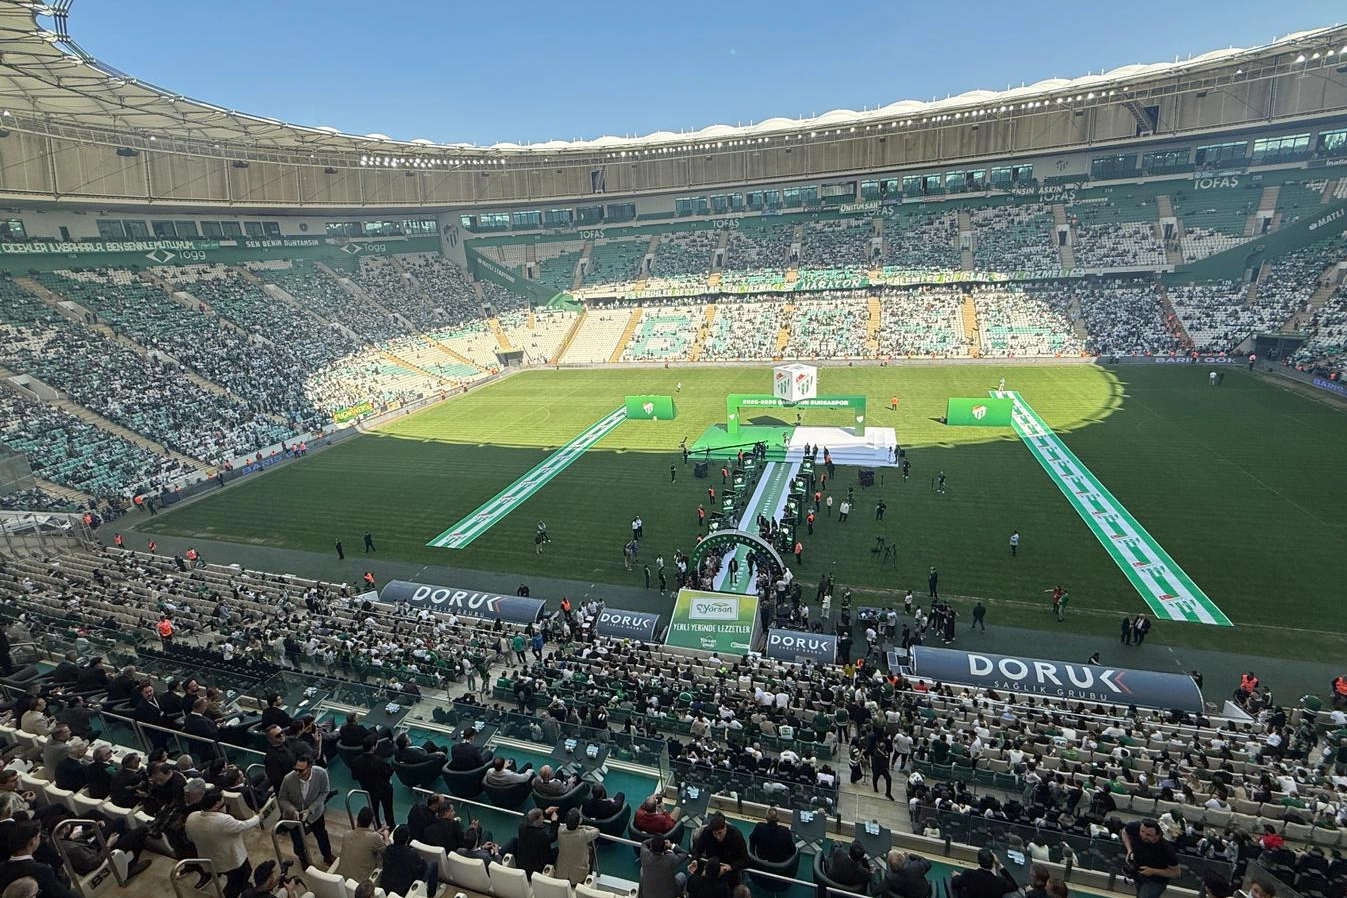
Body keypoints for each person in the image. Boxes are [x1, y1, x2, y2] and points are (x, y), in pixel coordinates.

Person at [185, 789, 263, 898]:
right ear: (217, 804)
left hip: (208, 860)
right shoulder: (224, 820)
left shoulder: (191, 817)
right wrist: (257, 818)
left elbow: (190, 838)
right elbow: (243, 825)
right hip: (232, 861)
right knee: (241, 877)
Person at [278, 755, 335, 869]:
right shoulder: (288, 779)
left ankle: (327, 856)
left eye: (301, 770)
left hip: (315, 812)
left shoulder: (321, 774)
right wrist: (293, 810)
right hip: (293, 816)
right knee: (297, 842)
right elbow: (282, 799)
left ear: (310, 767)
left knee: (321, 835)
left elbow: (324, 792)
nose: (297, 773)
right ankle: (304, 860)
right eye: (295, 769)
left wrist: (310, 809)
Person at [0, 822, 78, 898]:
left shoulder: (2, 867)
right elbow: (63, 894)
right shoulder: (40, 870)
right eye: (39, 837)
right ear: (33, 841)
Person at [1119, 819, 1181, 898]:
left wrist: (1152, 871)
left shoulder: (1166, 849)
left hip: (1156, 880)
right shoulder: (1135, 827)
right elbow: (1124, 832)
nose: (1144, 836)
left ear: (1157, 836)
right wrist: (1129, 850)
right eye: (1142, 831)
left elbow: (1176, 873)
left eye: (1149, 835)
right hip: (1139, 873)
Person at [381, 826, 436, 898]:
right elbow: (423, 868)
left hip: (386, 889)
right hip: (403, 890)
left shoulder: (387, 850)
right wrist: (421, 860)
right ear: (407, 838)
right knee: (433, 864)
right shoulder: (410, 854)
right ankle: (431, 895)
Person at [336, 807, 386, 884]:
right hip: (360, 885)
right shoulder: (374, 837)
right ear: (371, 822)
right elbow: (387, 852)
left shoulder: (346, 834)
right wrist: (386, 836)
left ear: (358, 820)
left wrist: (375, 834)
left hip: (341, 881)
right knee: (380, 856)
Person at [511, 807, 560, 879]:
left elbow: (532, 818)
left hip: (521, 866)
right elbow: (553, 836)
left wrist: (545, 812)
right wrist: (554, 821)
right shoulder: (541, 835)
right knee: (556, 850)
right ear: (539, 819)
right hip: (536, 870)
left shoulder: (521, 828)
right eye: (542, 817)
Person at [556, 808, 600, 885]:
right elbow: (597, 831)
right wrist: (582, 826)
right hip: (578, 878)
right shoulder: (583, 834)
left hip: (561, 875)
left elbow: (564, 826)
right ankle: (588, 878)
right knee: (591, 849)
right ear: (579, 821)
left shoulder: (560, 830)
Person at [950, 849, 1018, 898]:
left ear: (979, 861)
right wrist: (999, 864)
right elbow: (1014, 886)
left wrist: (957, 876)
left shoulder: (969, 874)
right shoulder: (1000, 882)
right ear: (993, 862)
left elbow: (955, 882)